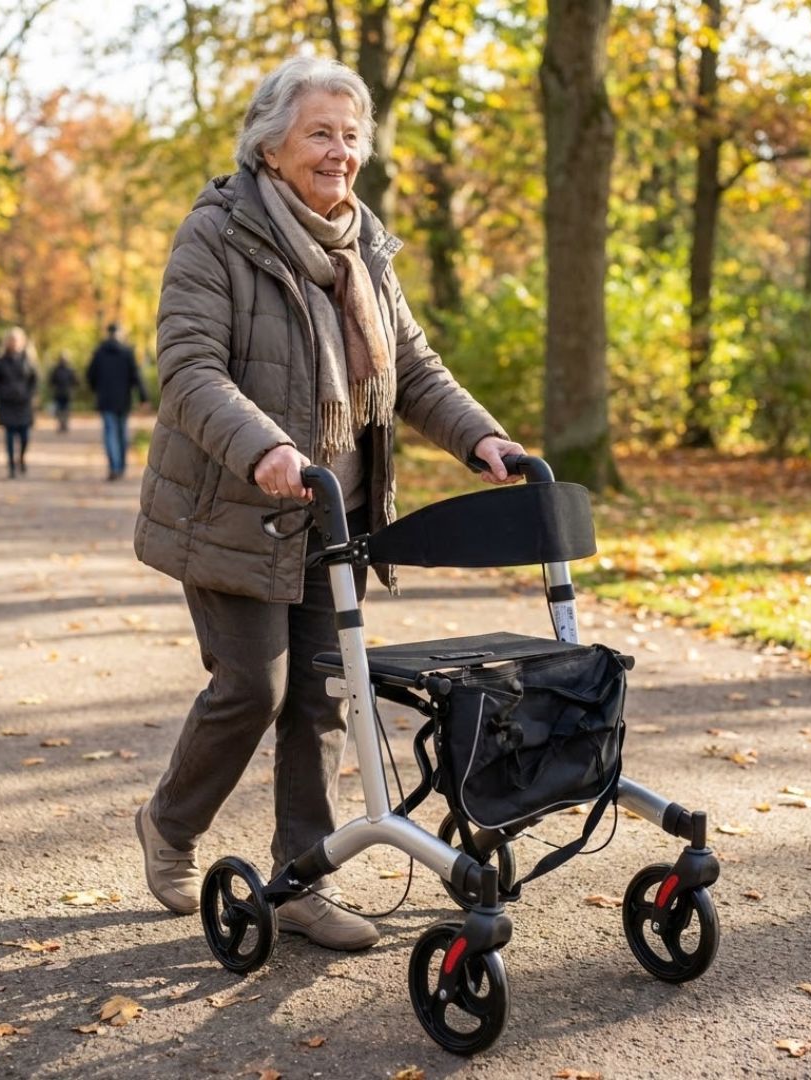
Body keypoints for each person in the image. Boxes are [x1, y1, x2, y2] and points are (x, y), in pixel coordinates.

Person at [132, 56, 524, 952]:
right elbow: (190, 370)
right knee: (252, 689)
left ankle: (302, 879)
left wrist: (482, 438)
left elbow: (414, 368)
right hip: (233, 506)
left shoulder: (363, 248)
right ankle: (170, 824)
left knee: (318, 698)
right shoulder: (217, 235)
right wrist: (264, 445)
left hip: (333, 519)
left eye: (352, 136)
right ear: (270, 145)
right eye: (320, 132)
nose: (340, 152)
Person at [86, 323, 147, 479]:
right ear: (120, 334)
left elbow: (90, 376)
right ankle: (121, 467)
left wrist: (97, 389)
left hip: (105, 399)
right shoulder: (127, 352)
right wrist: (143, 397)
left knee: (110, 433)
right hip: (123, 400)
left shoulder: (99, 352)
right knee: (122, 433)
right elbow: (136, 377)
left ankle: (114, 466)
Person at [0, 326, 38, 479]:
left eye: (16, 340)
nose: (14, 343)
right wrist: (0, 392)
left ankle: (21, 458)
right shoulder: (0, 361)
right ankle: (11, 465)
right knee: (9, 436)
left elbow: (35, 380)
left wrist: (30, 394)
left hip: (24, 403)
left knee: (24, 436)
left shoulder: (29, 360)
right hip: (7, 403)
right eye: (11, 340)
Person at [48, 352, 78, 433]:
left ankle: (64, 424)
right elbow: (51, 381)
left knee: (64, 410)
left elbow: (75, 381)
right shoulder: (59, 370)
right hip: (61, 393)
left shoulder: (69, 370)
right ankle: (62, 424)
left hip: (65, 393)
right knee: (62, 410)